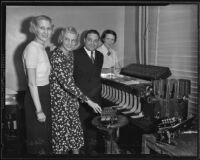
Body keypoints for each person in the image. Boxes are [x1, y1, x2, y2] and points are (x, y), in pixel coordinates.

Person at [49, 27, 102, 154]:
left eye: (73, 40)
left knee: (75, 135)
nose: (70, 43)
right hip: (59, 102)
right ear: (61, 38)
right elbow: (67, 83)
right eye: (67, 39)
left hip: (71, 100)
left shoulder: (70, 54)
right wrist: (88, 101)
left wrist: (76, 99)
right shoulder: (57, 55)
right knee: (61, 138)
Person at [22, 15, 54, 154]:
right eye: (42, 28)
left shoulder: (41, 47)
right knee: (38, 141)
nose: (45, 32)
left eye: (48, 28)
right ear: (34, 28)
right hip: (37, 97)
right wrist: (39, 110)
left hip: (44, 94)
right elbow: (31, 82)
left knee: (45, 138)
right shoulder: (32, 49)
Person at [73, 29, 104, 154]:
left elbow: (96, 77)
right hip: (80, 99)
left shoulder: (100, 56)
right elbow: (70, 79)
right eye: (90, 40)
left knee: (93, 128)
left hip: (96, 99)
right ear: (84, 40)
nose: (92, 43)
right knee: (80, 129)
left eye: (95, 40)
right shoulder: (74, 54)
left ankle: (91, 151)